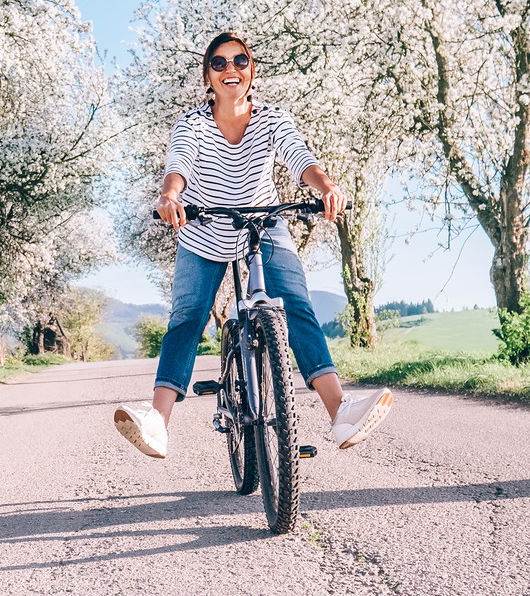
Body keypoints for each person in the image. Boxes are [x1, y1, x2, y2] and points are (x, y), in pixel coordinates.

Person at [114, 32, 393, 459]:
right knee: (187, 317)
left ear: (251, 71)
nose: (231, 70)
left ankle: (341, 413)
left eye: (240, 61)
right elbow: (179, 166)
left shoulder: (272, 119)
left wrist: (327, 187)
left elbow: (300, 158)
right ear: (208, 76)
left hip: (261, 225)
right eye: (220, 63)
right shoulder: (191, 124)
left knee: (295, 304)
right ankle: (158, 422)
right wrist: (170, 197)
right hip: (203, 228)